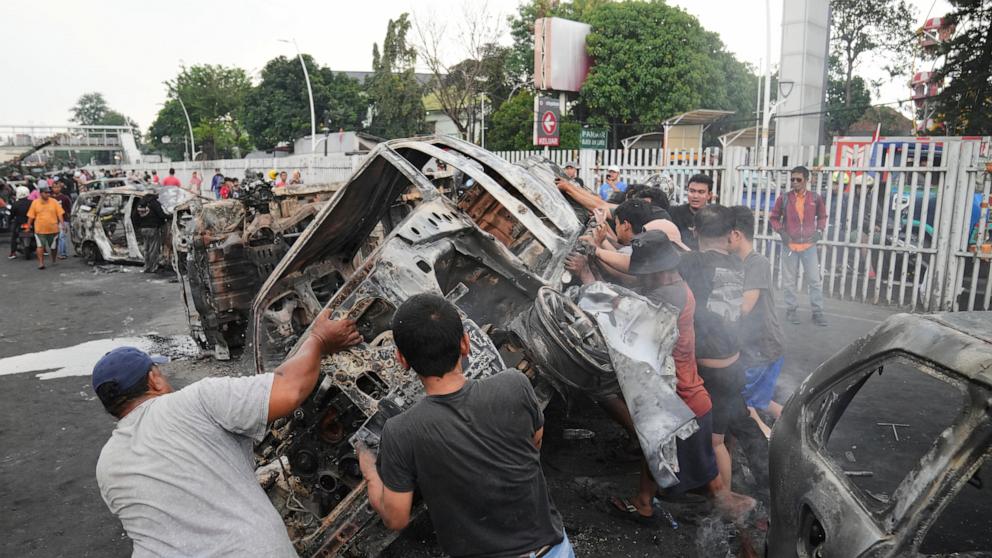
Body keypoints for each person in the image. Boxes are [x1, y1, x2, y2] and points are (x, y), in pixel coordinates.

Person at [94, 312, 360, 557]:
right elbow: (289, 390)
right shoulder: (195, 401)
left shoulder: (106, 466)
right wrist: (320, 340)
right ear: (154, 379)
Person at [356, 294, 573, 558]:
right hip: (553, 550)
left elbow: (396, 518)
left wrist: (369, 471)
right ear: (465, 344)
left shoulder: (401, 432)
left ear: (402, 360)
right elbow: (534, 443)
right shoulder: (515, 384)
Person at [678, 205, 770, 493]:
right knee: (732, 426)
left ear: (695, 232)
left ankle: (727, 505)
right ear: (730, 235)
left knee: (714, 441)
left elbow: (650, 269)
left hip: (711, 371)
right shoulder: (737, 263)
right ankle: (765, 478)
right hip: (733, 364)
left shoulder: (691, 263)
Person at [729, 206, 786, 438]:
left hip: (761, 348)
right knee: (759, 400)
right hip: (753, 347)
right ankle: (797, 426)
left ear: (735, 235)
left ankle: (769, 445)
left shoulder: (756, 263)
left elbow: (744, 307)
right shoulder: (735, 261)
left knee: (744, 403)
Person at [769, 165, 828, 326]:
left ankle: (817, 312)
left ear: (807, 180)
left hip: (809, 245)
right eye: (792, 179)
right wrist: (782, 232)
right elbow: (773, 218)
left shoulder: (815, 198)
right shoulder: (784, 198)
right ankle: (791, 310)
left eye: (798, 179)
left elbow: (822, 216)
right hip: (790, 245)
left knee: (815, 280)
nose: (794, 182)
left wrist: (820, 231)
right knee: (789, 280)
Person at [668, 174, 714, 251]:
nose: (695, 196)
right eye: (692, 191)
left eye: (701, 192)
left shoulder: (715, 217)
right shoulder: (673, 213)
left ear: (709, 195)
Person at [25, 184, 64, 269]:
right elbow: (31, 216)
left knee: (53, 247)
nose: (48, 194)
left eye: (49, 193)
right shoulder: (35, 203)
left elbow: (60, 214)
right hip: (40, 230)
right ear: (41, 193)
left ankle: (53, 259)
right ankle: (41, 263)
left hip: (53, 229)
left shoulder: (54, 202)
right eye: (46, 193)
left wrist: (63, 224)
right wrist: (28, 227)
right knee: (40, 247)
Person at [132, 193, 167, 273]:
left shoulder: (140, 203)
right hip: (153, 228)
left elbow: (134, 216)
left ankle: (147, 266)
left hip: (143, 229)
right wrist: (168, 217)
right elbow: (161, 215)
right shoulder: (154, 203)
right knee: (153, 249)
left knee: (146, 249)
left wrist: (138, 226)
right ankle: (153, 267)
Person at [51, 179, 73, 259]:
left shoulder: (65, 198)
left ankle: (63, 253)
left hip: (63, 220)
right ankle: (55, 253)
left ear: (60, 188)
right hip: (52, 220)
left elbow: (69, 210)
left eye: (57, 187)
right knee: (54, 238)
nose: (56, 189)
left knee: (61, 237)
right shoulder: (50, 198)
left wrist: (68, 221)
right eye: (54, 187)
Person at [8, 186, 32, 259]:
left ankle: (13, 252)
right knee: (39, 234)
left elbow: (12, 215)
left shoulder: (15, 204)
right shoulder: (32, 202)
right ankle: (44, 250)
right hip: (31, 222)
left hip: (19, 223)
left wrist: (9, 221)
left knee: (13, 236)